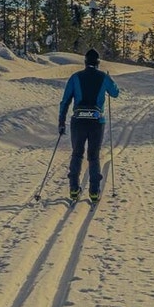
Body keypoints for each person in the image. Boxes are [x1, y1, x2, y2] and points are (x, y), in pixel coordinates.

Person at [58, 48, 120, 200]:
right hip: (96, 121)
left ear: (85, 62)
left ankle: (73, 189)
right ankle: (94, 191)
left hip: (78, 121)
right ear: (98, 63)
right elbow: (115, 93)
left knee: (77, 153)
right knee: (93, 156)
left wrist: (61, 121)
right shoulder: (103, 77)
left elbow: (65, 101)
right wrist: (110, 80)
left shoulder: (75, 77)